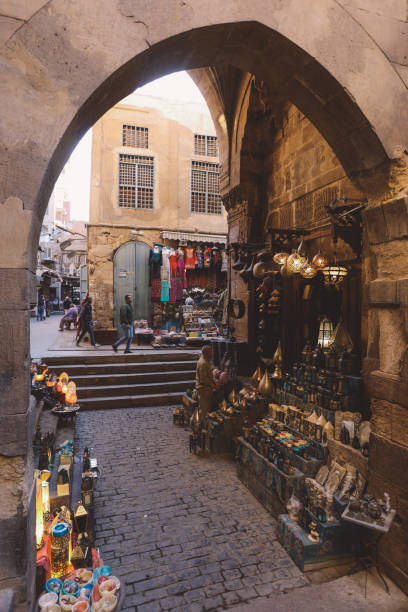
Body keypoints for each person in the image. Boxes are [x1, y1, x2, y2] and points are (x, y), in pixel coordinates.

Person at [195, 344, 215, 427]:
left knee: (204, 409)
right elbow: (203, 379)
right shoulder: (203, 363)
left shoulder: (205, 360)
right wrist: (213, 385)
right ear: (207, 352)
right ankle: (199, 427)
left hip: (205, 388)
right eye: (211, 352)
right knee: (204, 410)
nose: (212, 353)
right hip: (204, 389)